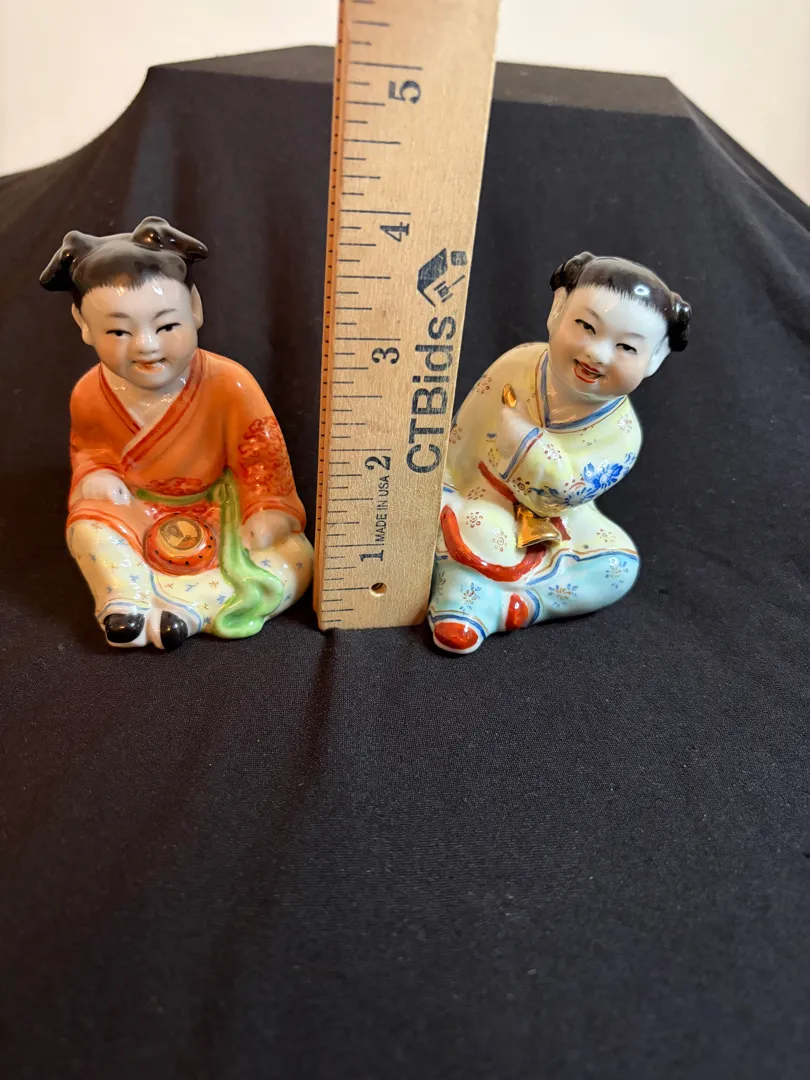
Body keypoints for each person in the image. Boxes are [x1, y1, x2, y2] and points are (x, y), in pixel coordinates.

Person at [41, 216, 313, 650]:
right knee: (87, 526)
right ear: (84, 325)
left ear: (195, 309)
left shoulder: (229, 383)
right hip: (136, 508)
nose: (146, 346)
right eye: (118, 331)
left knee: (294, 560)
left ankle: (191, 610)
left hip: (220, 509)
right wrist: (98, 474)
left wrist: (267, 509)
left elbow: (262, 455)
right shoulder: (89, 393)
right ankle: (124, 599)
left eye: (166, 326)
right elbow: (91, 449)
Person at [428, 251, 691, 655]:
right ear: (558, 310)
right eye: (586, 326)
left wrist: (528, 442)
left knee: (618, 566)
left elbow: (567, 495)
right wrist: (443, 489)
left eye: (626, 347)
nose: (598, 354)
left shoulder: (623, 433)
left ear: (654, 359)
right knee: (483, 526)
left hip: (561, 522)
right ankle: (462, 596)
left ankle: (512, 605)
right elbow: (461, 439)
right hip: (482, 491)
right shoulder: (517, 364)